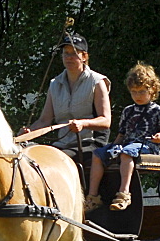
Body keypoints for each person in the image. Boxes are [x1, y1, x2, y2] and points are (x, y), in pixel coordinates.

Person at [85, 62, 160, 212]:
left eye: (141, 91)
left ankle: (124, 194)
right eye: (134, 92)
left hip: (148, 146)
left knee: (126, 153)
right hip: (125, 145)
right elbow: (121, 134)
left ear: (152, 89)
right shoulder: (128, 111)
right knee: (97, 155)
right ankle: (93, 197)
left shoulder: (158, 111)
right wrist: (112, 148)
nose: (137, 96)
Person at [20, 32, 111, 161]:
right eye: (65, 53)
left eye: (73, 53)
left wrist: (83, 124)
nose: (69, 57)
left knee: (53, 160)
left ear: (84, 56)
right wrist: (28, 132)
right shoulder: (54, 84)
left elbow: (106, 121)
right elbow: (45, 121)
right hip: (60, 146)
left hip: (88, 144)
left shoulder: (97, 82)